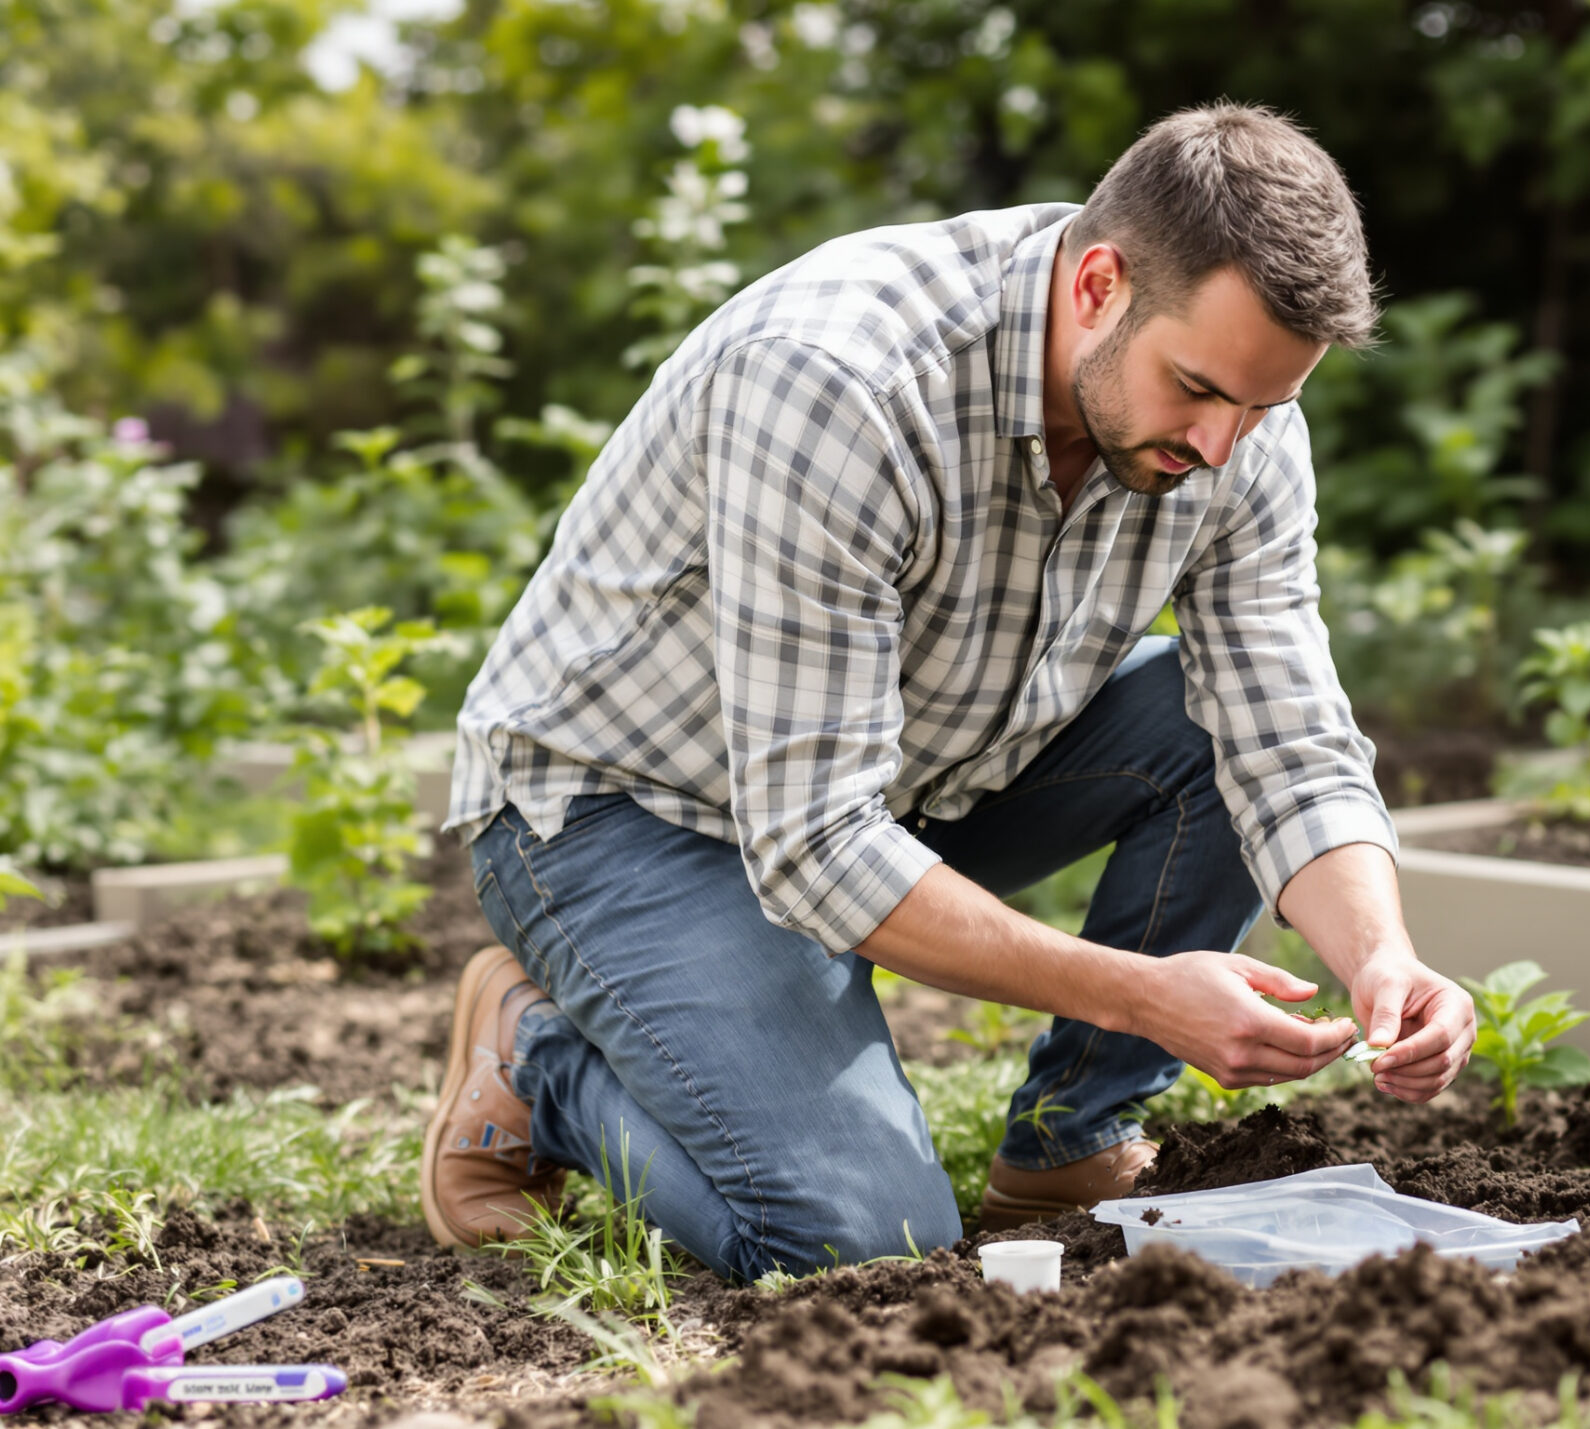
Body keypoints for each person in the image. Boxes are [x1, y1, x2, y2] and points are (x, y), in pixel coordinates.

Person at [419, 102, 1478, 1280]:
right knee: (855, 1243)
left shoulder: (1229, 417)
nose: (1223, 447)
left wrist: (1382, 954)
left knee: (1206, 723)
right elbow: (816, 842)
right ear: (1097, 284)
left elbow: (1283, 729)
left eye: (1262, 407)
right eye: (1198, 391)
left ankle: (1069, 1139)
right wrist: (1144, 995)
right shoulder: (837, 379)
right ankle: (540, 1063)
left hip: (904, 772)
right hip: (626, 811)